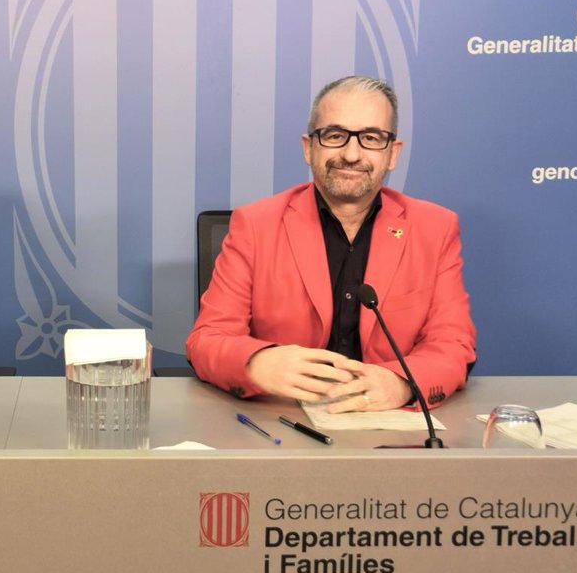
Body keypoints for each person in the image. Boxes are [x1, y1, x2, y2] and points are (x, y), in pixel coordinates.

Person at [185, 76, 475, 412]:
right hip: (282, 418)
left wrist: (401, 383)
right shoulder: (255, 224)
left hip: (389, 419)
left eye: (371, 138)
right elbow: (208, 338)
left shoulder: (434, 228)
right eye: (335, 136)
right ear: (309, 148)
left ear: (392, 153)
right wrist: (256, 362)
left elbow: (452, 343)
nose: (351, 154)